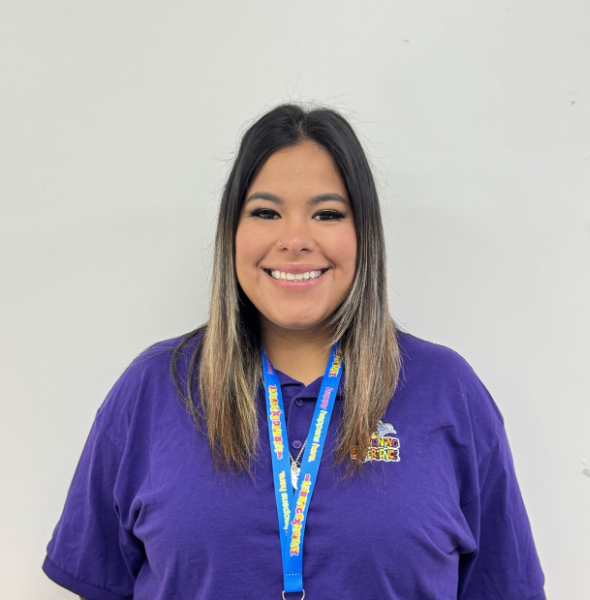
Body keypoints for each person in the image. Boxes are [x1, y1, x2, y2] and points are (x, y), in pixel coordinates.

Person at [42, 104, 546, 600]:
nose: (295, 240)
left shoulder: (447, 392)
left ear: (364, 234)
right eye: (266, 212)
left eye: (327, 213)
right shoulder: (154, 389)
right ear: (231, 231)